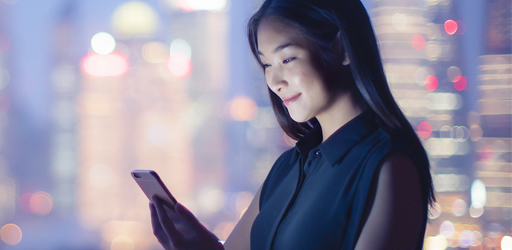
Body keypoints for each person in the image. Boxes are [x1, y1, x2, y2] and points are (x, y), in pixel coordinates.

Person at [149, 0, 436, 249]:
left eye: (287, 58)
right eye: (267, 65)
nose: (274, 82)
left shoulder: (388, 165)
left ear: (342, 48)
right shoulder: (286, 168)